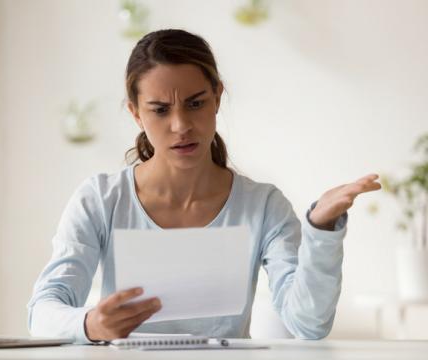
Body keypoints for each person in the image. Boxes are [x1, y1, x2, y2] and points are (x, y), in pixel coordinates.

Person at [27, 29, 381, 344]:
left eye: (195, 104)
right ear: (136, 113)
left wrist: (321, 230)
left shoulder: (263, 205)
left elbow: (308, 324)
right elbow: (42, 313)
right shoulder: (100, 200)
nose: (181, 125)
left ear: (217, 97)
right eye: (160, 110)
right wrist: (90, 324)